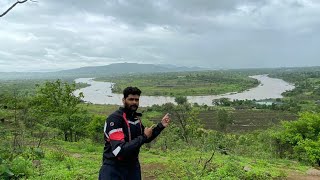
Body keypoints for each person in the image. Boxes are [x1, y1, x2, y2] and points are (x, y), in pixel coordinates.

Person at [98, 86, 170, 180]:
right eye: (131, 99)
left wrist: (161, 126)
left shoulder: (136, 119)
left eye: (137, 99)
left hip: (132, 167)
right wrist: (144, 136)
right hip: (113, 168)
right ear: (124, 100)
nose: (134, 102)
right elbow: (119, 150)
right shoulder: (115, 119)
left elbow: (146, 138)